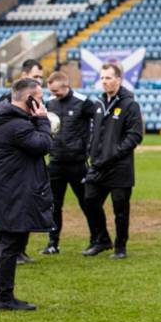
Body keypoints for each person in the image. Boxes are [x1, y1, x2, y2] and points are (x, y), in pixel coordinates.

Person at [0, 78, 54, 310]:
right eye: (40, 98)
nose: (43, 103)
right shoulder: (18, 126)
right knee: (10, 243)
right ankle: (4, 298)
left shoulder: (0, 118)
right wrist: (42, 120)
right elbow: (43, 145)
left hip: (0, 189)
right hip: (13, 191)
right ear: (29, 99)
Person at [83, 62, 143, 259]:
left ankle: (120, 247)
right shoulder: (98, 104)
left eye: (108, 78)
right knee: (89, 201)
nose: (104, 81)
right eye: (102, 78)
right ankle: (102, 239)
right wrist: (92, 152)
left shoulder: (130, 105)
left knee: (120, 210)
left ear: (119, 79)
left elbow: (135, 135)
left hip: (120, 167)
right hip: (98, 166)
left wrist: (115, 153)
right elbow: (95, 133)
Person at [40, 71, 98, 255]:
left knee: (87, 203)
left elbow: (100, 123)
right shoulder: (50, 103)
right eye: (51, 91)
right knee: (54, 205)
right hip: (55, 162)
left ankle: (95, 240)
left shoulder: (83, 102)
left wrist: (90, 147)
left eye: (56, 91)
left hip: (77, 163)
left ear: (66, 86)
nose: (54, 94)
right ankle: (53, 243)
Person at [0, 59, 46, 265]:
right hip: (13, 171)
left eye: (41, 77)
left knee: (27, 209)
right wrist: (41, 122)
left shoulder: (34, 100)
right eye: (35, 76)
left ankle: (21, 250)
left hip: (26, 168)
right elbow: (36, 141)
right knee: (11, 221)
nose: (39, 80)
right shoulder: (9, 101)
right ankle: (14, 253)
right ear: (25, 75)